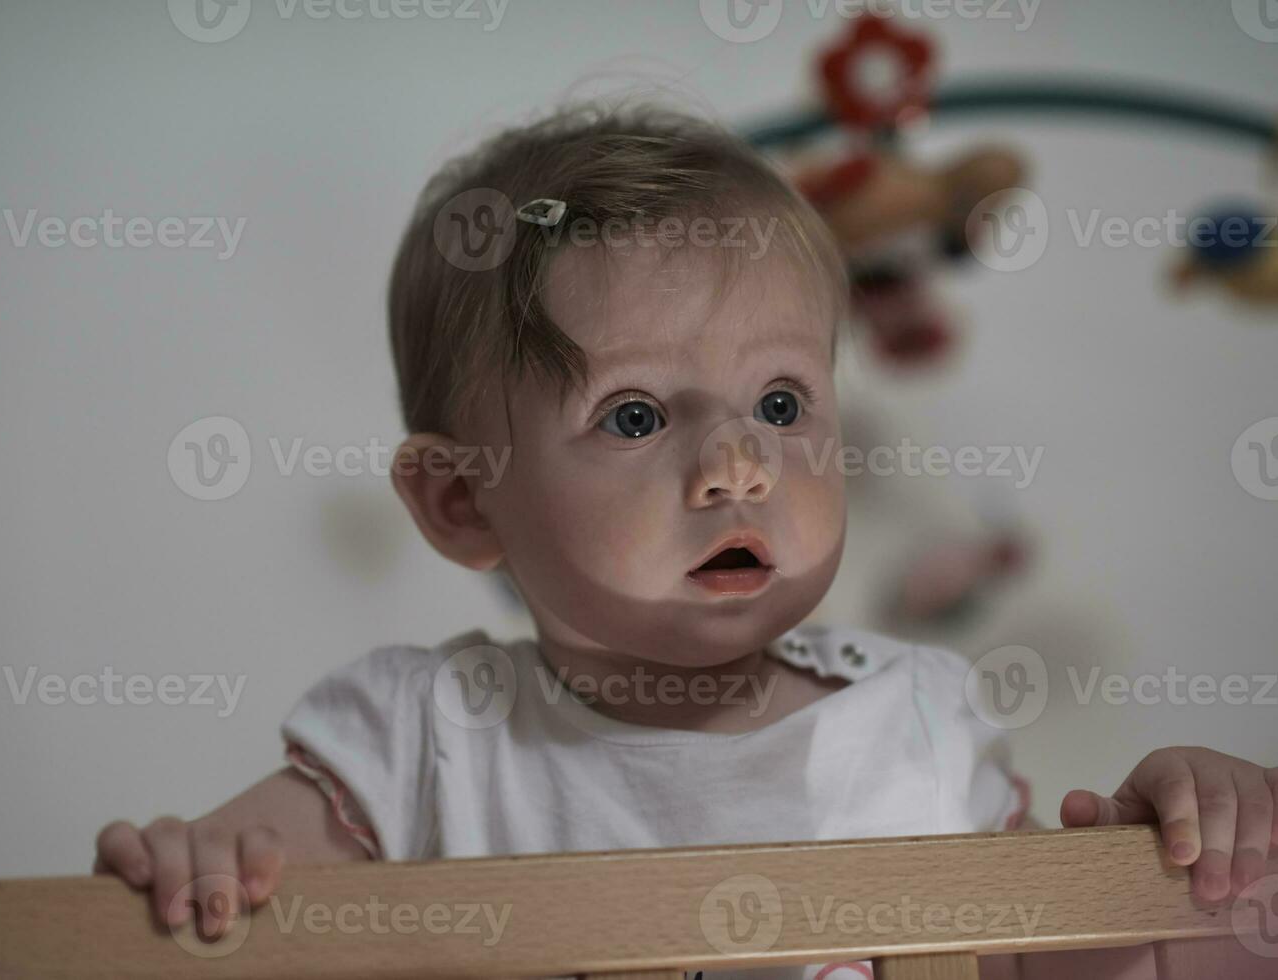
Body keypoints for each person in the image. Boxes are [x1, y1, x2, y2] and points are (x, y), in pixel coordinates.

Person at [94, 100, 1277, 978]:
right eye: (635, 414)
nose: (737, 463)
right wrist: (189, 875)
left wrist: (1168, 865)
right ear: (462, 501)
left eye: (777, 402)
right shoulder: (421, 738)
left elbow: (1037, 962)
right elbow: (222, 910)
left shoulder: (915, 717)